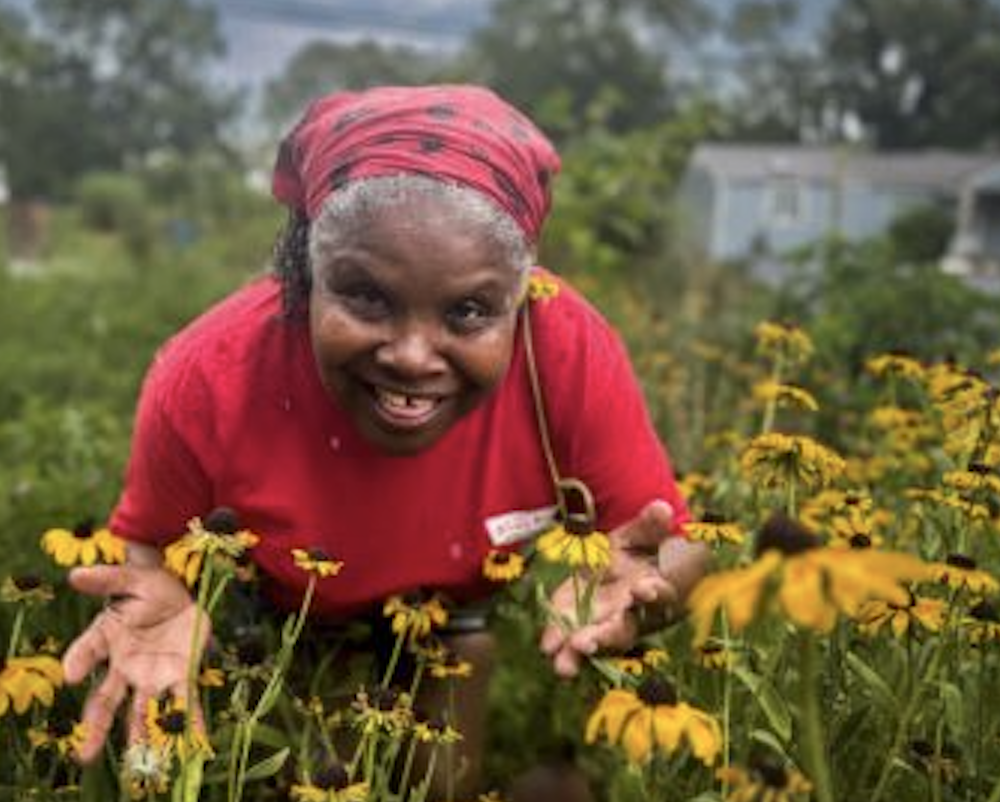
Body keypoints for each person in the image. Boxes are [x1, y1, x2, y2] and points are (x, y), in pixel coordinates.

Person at [60, 84, 708, 797]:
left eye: (468, 311)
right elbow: (149, 548)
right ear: (306, 274)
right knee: (309, 771)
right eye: (367, 297)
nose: (411, 356)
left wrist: (652, 591)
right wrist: (158, 600)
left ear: (520, 298)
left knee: (441, 773)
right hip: (281, 604)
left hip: (452, 605)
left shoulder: (565, 349)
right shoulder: (209, 375)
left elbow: (670, 543)